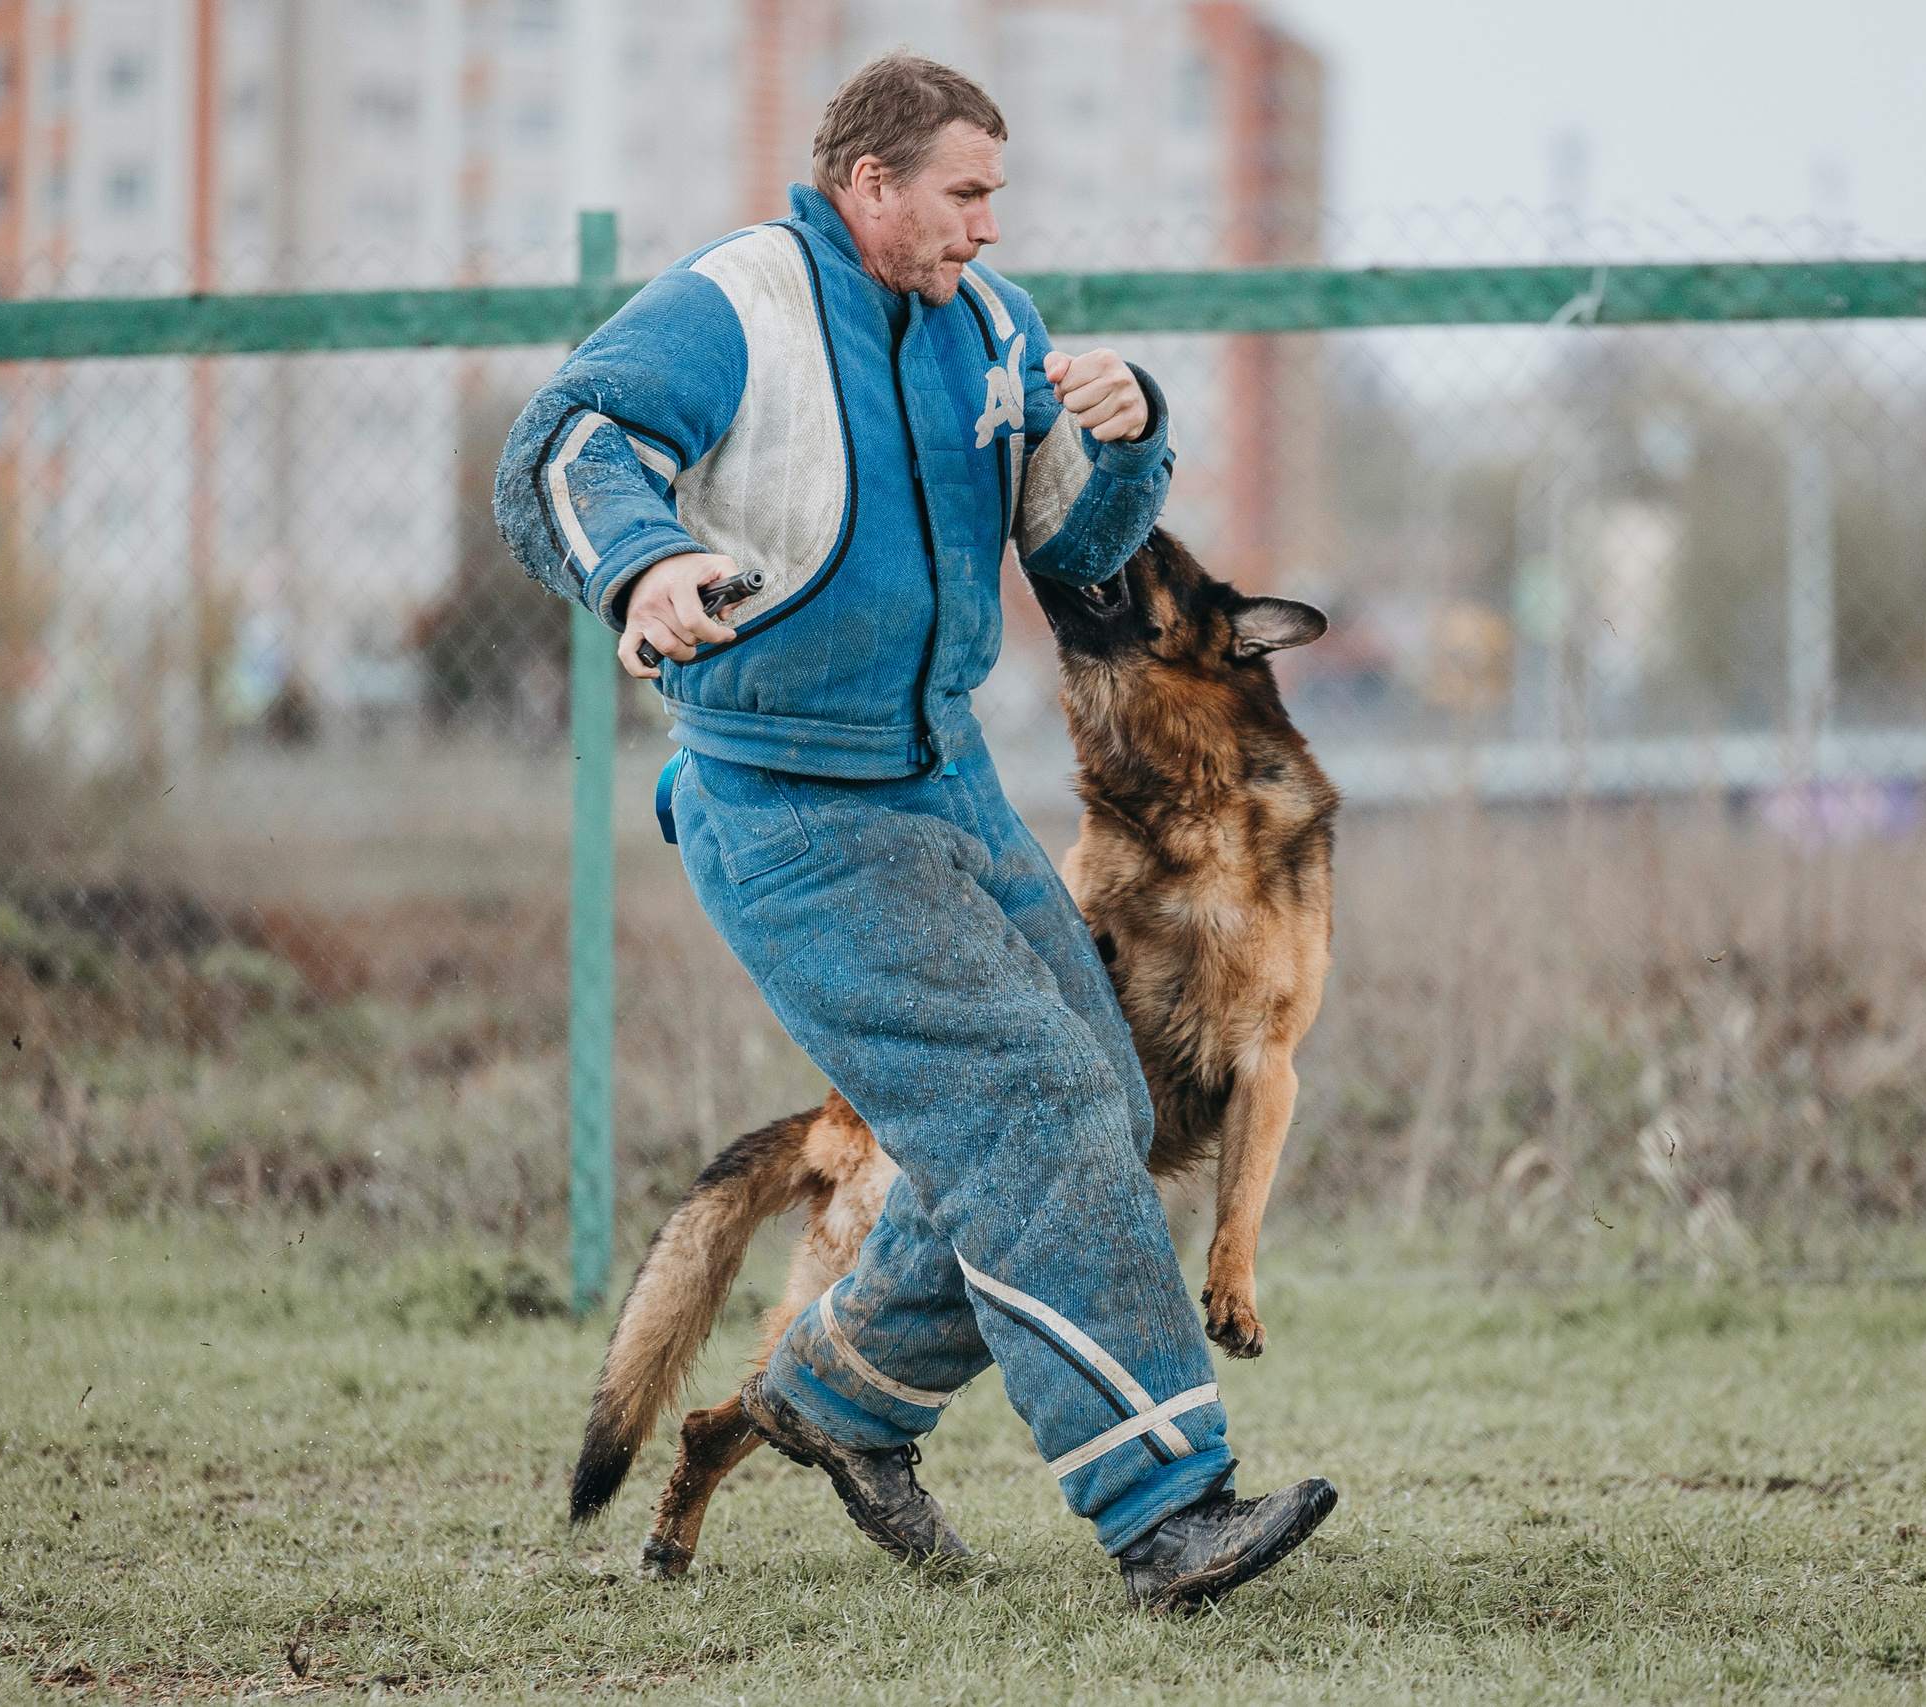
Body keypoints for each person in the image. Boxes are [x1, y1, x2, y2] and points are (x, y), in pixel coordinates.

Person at [495, 51, 1334, 1612]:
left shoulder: (992, 334)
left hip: (942, 783)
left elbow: (1078, 549)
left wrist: (1132, 428)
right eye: (965, 194)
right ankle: (1165, 1512)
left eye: (995, 198)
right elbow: (559, 444)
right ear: (869, 185)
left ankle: (842, 1397)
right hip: (786, 807)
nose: (988, 229)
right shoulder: (734, 303)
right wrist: (642, 567)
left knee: (1103, 1097)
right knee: (1027, 1097)